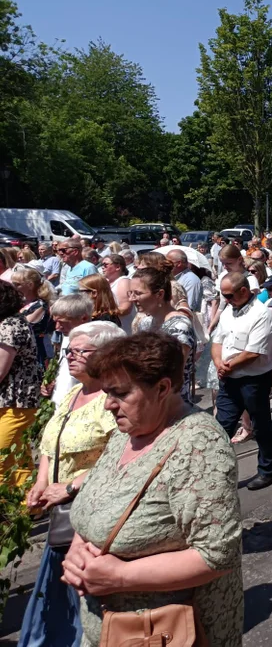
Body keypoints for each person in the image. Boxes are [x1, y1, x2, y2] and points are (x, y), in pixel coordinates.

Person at [62, 332, 243, 645]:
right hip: (109, 628)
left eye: (119, 393)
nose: (108, 405)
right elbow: (99, 499)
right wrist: (78, 549)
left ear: (162, 388)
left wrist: (118, 576)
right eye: (106, 393)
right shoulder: (128, 431)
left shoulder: (198, 445)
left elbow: (217, 554)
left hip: (166, 633)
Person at [19, 322, 125, 647]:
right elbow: (50, 446)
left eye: (81, 351)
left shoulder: (112, 400)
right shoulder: (72, 395)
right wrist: (40, 485)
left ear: (106, 355)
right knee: (55, 607)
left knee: (88, 605)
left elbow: (120, 459)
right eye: (69, 351)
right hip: (63, 519)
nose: (70, 357)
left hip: (94, 517)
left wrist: (67, 488)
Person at [211, 271, 272, 490]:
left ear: (243, 291)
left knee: (260, 426)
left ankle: (267, 471)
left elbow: (253, 353)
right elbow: (218, 340)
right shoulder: (228, 312)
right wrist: (219, 362)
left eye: (229, 296)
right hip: (229, 379)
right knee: (222, 426)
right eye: (223, 296)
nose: (226, 300)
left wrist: (227, 367)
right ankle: (215, 473)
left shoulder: (261, 314)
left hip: (254, 380)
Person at [129, 266, 196, 406]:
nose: (131, 299)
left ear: (159, 294)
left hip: (170, 404)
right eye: (130, 293)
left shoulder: (179, 326)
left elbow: (173, 371)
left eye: (137, 293)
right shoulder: (146, 323)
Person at [0, 281, 44, 488]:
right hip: (9, 400)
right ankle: (26, 505)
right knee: (19, 456)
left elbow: (0, 369)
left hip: (16, 400)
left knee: (3, 455)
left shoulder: (9, 325)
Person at [11, 267, 54, 366]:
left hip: (35, 353)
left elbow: (22, 326)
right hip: (17, 351)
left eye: (17, 284)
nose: (13, 287)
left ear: (30, 285)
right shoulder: (18, 303)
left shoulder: (41, 306)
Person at [100, 254, 134, 333]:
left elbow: (125, 309)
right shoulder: (106, 282)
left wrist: (101, 313)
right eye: (102, 264)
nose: (102, 267)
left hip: (123, 329)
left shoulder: (123, 281)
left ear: (118, 267)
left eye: (105, 265)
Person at [168, 248, 202, 312]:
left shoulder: (191, 280)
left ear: (178, 263)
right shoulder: (173, 278)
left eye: (168, 262)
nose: (166, 265)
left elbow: (188, 308)